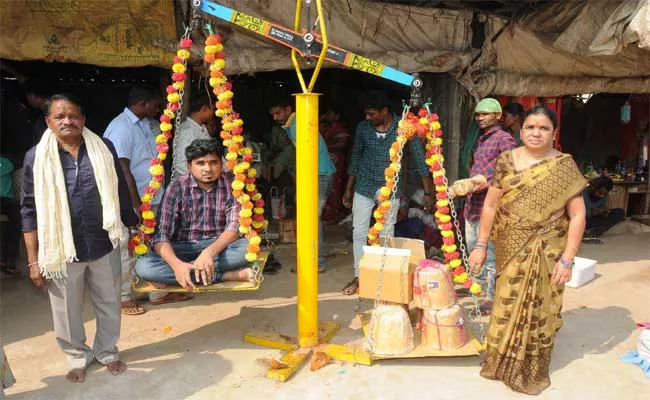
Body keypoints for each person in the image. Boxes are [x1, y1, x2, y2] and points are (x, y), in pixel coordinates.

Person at [468, 105, 587, 395]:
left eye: (544, 128)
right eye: (531, 127)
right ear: (521, 131)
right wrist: (481, 246)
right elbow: (492, 204)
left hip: (549, 249)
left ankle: (532, 365)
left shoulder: (564, 166)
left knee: (540, 307)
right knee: (506, 301)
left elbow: (578, 215)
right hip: (510, 245)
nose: (536, 132)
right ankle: (501, 362)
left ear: (554, 133)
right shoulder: (507, 160)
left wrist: (568, 260)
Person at [21, 93, 138, 383]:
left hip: (103, 243)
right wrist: (33, 260)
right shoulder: (36, 157)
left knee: (110, 302)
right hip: (62, 250)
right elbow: (28, 210)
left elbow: (121, 193)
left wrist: (133, 227)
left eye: (73, 115)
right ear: (48, 122)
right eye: (59, 116)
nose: (67, 121)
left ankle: (107, 352)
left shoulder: (103, 148)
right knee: (66, 311)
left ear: (83, 120)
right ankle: (77, 356)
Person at [104, 86, 189, 314]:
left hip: (153, 197)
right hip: (135, 200)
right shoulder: (120, 127)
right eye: (155, 104)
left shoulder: (147, 124)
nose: (158, 108)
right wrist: (135, 205)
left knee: (155, 245)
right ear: (142, 103)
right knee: (128, 247)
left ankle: (157, 292)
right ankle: (125, 297)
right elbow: (122, 169)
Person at [341, 91, 434, 295]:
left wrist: (428, 192)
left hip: (391, 188)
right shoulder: (363, 128)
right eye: (366, 114)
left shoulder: (405, 128)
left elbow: (420, 160)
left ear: (385, 112)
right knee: (359, 231)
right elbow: (355, 158)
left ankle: (383, 276)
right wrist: (348, 188)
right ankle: (360, 275)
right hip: (364, 185)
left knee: (386, 232)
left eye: (372, 114)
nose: (368, 118)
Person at [135, 139, 255, 288]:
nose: (208, 169)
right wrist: (177, 264)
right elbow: (161, 234)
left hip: (218, 247)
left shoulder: (231, 184)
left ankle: (184, 274)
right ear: (189, 166)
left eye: (213, 162)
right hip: (182, 248)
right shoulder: (176, 187)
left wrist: (209, 253)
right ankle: (223, 275)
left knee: (245, 249)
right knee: (144, 267)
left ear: (221, 164)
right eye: (200, 163)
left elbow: (235, 226)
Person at [462, 98, 517, 312]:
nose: (480, 118)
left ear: (498, 116)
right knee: (473, 250)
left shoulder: (504, 139)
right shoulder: (482, 139)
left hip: (491, 205)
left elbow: (511, 173)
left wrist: (487, 183)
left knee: (489, 254)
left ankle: (490, 298)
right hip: (472, 204)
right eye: (478, 114)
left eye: (485, 114)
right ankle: (478, 289)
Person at [270, 97, 336, 273]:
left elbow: (306, 156)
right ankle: (314, 260)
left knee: (311, 220)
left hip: (319, 174)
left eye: (278, 113)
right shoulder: (297, 122)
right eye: (273, 114)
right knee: (312, 219)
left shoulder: (297, 125)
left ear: (288, 109)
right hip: (319, 173)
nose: (276, 117)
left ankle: (317, 263)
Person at [319, 104, 352, 223]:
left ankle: (333, 214)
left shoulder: (340, 128)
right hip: (325, 158)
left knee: (334, 186)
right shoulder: (325, 126)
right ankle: (326, 214)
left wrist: (325, 148)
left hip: (336, 158)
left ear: (337, 116)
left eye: (330, 113)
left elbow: (342, 144)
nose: (328, 115)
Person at [171, 93, 214, 181]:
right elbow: (180, 164)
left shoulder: (202, 128)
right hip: (189, 186)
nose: (214, 113)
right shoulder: (187, 131)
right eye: (212, 109)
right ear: (204, 109)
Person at [0, 155, 21, 275]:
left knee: (17, 222)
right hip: (8, 201)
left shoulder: (6, 161)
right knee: (15, 223)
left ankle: (8, 260)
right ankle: (8, 260)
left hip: (7, 201)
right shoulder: (7, 162)